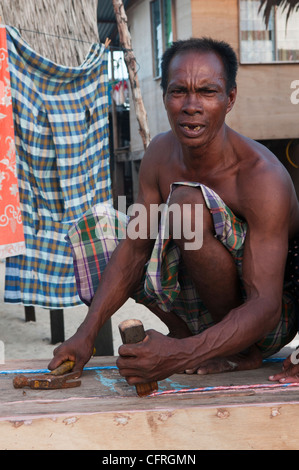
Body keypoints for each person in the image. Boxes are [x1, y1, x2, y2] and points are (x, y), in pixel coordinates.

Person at [48, 37, 299, 386]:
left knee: (186, 204)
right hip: (201, 311)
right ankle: (186, 338)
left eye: (208, 92)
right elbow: (135, 249)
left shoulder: (261, 177)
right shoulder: (159, 155)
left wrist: (177, 357)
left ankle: (228, 353)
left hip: (266, 323)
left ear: (230, 99)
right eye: (178, 91)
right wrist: (85, 334)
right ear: (165, 97)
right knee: (102, 226)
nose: (191, 105)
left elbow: (266, 304)